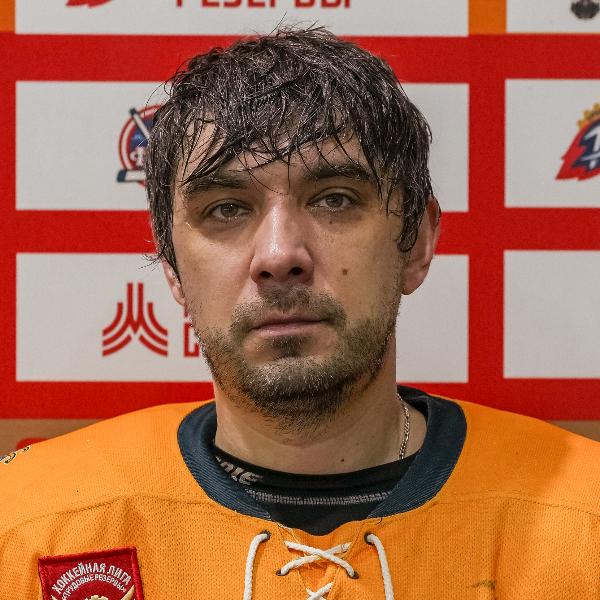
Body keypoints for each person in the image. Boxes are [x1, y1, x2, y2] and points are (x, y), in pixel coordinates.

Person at [2, 27, 599, 600]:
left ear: (416, 242)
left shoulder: (584, 523)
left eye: (335, 199)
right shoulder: (26, 527)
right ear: (174, 269)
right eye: (226, 208)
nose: (279, 255)